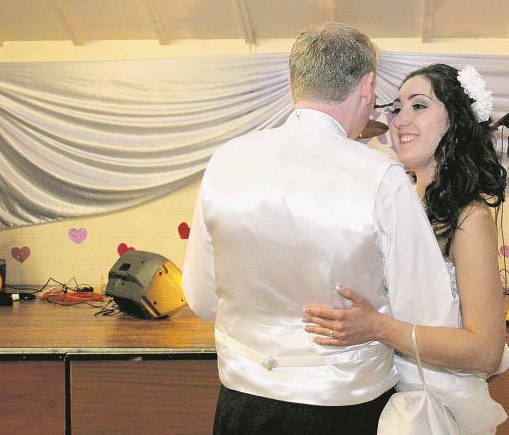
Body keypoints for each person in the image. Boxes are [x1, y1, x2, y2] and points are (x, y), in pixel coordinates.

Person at [182, 24, 460, 435]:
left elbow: (202, 300)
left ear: (294, 83)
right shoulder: (380, 177)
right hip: (344, 409)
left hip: (244, 403)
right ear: (367, 86)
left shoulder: (225, 161)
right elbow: (428, 314)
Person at [303, 63, 509, 434]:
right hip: (376, 394)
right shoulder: (399, 203)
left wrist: (377, 326)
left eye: (419, 105)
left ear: (456, 123)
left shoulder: (470, 217)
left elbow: (485, 351)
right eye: (397, 107)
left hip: (431, 412)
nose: (398, 122)